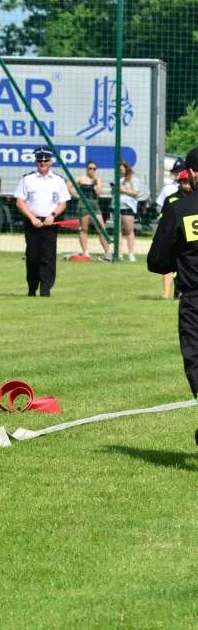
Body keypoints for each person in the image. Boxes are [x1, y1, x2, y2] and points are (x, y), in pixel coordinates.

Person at [148, 147, 198, 441]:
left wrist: (178, 260)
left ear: (191, 173)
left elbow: (156, 261)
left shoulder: (181, 209)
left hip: (194, 299)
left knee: (196, 361)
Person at [14, 147, 69, 297]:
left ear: (51, 162)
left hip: (50, 223)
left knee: (48, 257)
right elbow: (20, 202)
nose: (42, 163)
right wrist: (32, 218)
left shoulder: (58, 181)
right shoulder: (27, 179)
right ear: (35, 162)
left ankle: (46, 289)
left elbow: (63, 203)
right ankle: (32, 287)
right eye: (39, 160)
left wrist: (52, 215)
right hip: (32, 222)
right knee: (32, 256)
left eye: (45, 161)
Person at [156, 169, 192, 299]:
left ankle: (182, 291)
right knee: (169, 264)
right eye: (183, 182)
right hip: (174, 236)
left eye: (188, 182)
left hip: (191, 238)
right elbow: (163, 218)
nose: (186, 185)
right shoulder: (171, 199)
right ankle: (165, 294)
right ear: (179, 183)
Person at [66, 161, 110, 260]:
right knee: (84, 228)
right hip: (83, 204)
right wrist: (76, 195)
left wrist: (94, 184)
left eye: (94, 169)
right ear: (86, 169)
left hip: (94, 204)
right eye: (90, 168)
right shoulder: (81, 178)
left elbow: (98, 193)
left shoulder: (97, 180)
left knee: (102, 228)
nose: (92, 170)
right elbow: (69, 185)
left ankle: (107, 252)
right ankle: (86, 252)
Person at [117, 160, 143, 262]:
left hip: (128, 207)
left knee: (129, 230)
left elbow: (136, 193)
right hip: (117, 206)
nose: (120, 171)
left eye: (122, 169)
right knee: (118, 231)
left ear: (126, 168)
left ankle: (131, 253)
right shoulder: (118, 179)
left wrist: (123, 190)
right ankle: (118, 253)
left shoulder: (133, 179)